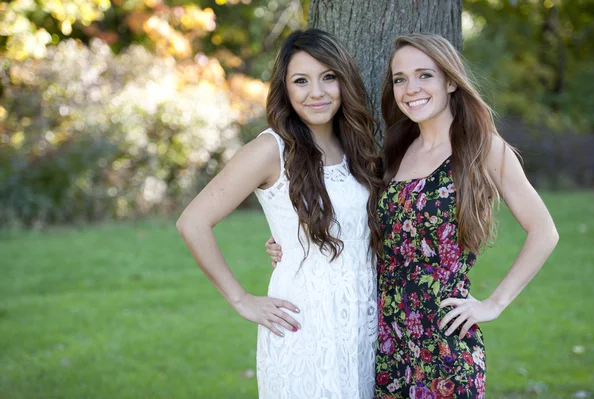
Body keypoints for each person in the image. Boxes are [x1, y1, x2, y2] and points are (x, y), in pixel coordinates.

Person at [266, 33, 559, 399]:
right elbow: (357, 222)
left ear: (450, 81)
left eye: (424, 75)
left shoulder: (483, 148)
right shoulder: (395, 151)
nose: (410, 88)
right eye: (400, 79)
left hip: (445, 347)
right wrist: (290, 241)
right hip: (386, 344)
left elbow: (544, 231)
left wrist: (494, 303)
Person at [176, 28, 382, 399]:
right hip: (303, 324)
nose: (316, 92)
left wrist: (290, 240)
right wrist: (241, 300)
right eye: (301, 81)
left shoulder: (358, 147)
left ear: (344, 81)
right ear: (285, 89)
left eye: (328, 77)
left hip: (361, 325)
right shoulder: (271, 149)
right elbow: (193, 222)